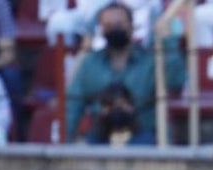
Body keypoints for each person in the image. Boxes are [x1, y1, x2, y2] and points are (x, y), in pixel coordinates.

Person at [65, 1, 156, 143]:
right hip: (100, 137)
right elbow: (73, 105)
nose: (114, 29)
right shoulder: (90, 63)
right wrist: (65, 143)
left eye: (119, 25)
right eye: (108, 26)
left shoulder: (151, 62)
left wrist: (168, 40)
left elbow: (176, 82)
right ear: (101, 30)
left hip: (143, 138)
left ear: (131, 26)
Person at [86, 81, 155, 146]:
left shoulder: (147, 142)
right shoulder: (94, 143)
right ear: (102, 110)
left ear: (132, 107)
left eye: (122, 104)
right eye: (110, 105)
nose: (116, 109)